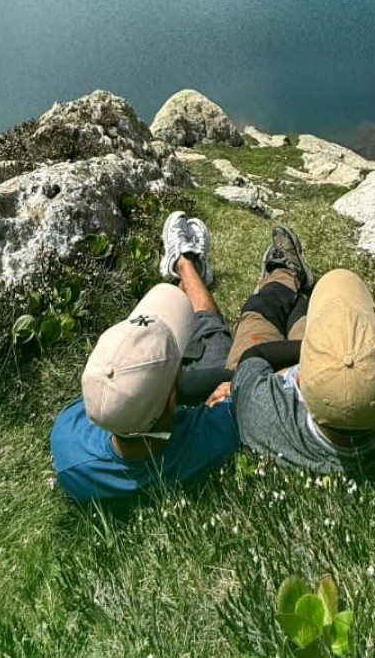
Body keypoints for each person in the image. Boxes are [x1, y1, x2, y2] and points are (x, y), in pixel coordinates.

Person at [50, 213, 237, 503]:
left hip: (156, 410)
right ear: (175, 401)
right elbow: (249, 394)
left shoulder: (69, 450)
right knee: (209, 329)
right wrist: (226, 397)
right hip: (193, 391)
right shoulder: (213, 436)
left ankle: (186, 268)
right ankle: (186, 265)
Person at [229, 227, 375, 473]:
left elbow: (252, 358)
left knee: (258, 315)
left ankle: (284, 274)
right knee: (306, 319)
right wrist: (333, 355)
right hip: (312, 377)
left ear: (298, 379)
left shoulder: (260, 411)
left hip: (271, 360)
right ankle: (299, 288)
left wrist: (314, 353)